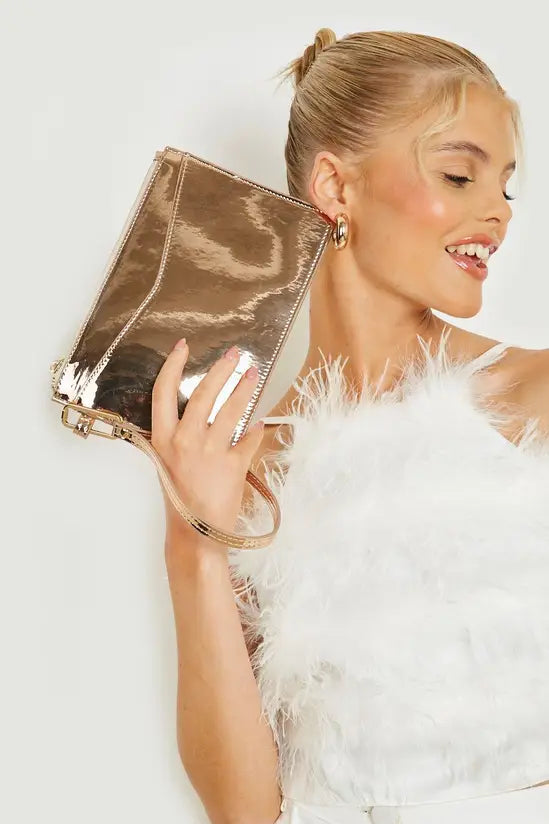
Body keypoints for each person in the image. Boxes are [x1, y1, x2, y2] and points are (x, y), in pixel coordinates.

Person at [151, 28, 549, 824]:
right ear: (336, 187)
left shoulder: (532, 397)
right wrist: (193, 541)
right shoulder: (250, 467)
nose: (496, 213)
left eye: (504, 187)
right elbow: (242, 810)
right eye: (458, 174)